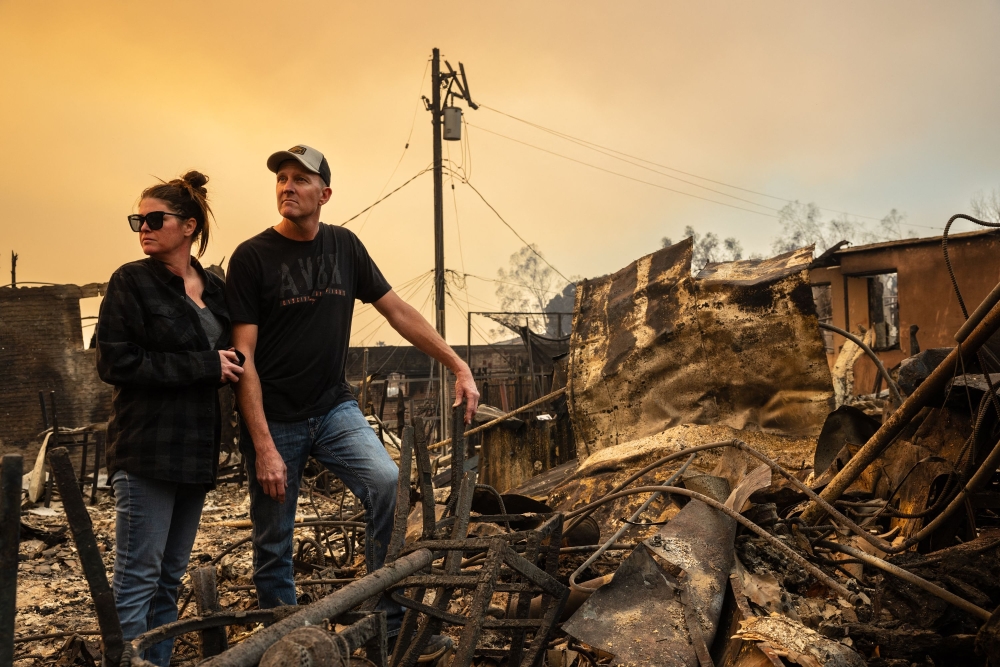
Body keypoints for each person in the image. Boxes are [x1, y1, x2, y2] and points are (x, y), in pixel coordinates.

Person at [225, 145, 479, 643]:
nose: (287, 187)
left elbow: (398, 312)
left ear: (325, 193)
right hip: (274, 418)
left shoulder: (345, 246)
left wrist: (458, 364)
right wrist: (263, 445)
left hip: (333, 408)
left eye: (300, 179)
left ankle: (385, 624)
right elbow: (243, 358)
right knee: (274, 540)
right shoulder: (252, 257)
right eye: (281, 178)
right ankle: (289, 644)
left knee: (387, 484)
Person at [96, 171, 244, 666]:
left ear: (188, 225)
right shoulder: (130, 281)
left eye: (155, 218)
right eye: (138, 219)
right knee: (136, 579)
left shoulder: (217, 287)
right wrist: (204, 365)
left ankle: (155, 662)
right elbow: (115, 362)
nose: (144, 227)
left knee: (168, 577)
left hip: (197, 451)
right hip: (148, 449)